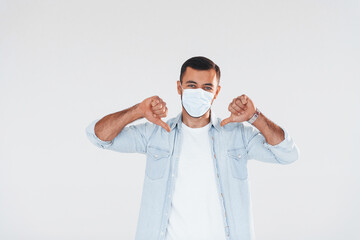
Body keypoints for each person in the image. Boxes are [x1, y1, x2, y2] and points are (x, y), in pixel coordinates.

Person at [85, 56, 300, 240]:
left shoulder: (237, 136)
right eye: (191, 85)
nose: (199, 93)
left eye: (207, 87)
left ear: (216, 92)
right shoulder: (156, 135)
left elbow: (288, 154)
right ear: (179, 87)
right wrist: (137, 111)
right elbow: (98, 137)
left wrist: (255, 117)